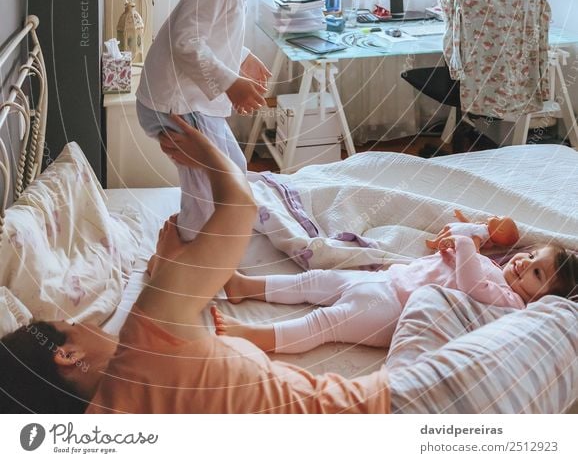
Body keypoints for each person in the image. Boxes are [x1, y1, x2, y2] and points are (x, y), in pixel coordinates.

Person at [0, 117, 577, 415]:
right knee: (562, 322)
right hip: (402, 409)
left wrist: (168, 271)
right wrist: (204, 151)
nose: (97, 327)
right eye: (81, 328)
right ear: (67, 354)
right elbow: (240, 206)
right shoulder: (148, 342)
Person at [136, 0, 302, 240]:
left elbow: (210, 37)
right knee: (210, 188)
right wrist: (231, 83)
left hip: (185, 100)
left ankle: (210, 239)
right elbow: (186, 41)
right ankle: (195, 265)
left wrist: (242, 58)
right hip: (176, 104)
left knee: (235, 169)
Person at [211, 227, 578, 355]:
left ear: (541, 297)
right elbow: (458, 267)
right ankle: (247, 286)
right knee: (315, 281)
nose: (521, 262)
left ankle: (260, 336)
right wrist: (451, 248)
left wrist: (467, 247)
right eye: (529, 255)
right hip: (389, 281)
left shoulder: (511, 303)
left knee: (326, 323)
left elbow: (470, 285)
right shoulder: (496, 268)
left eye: (535, 270)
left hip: (392, 311)